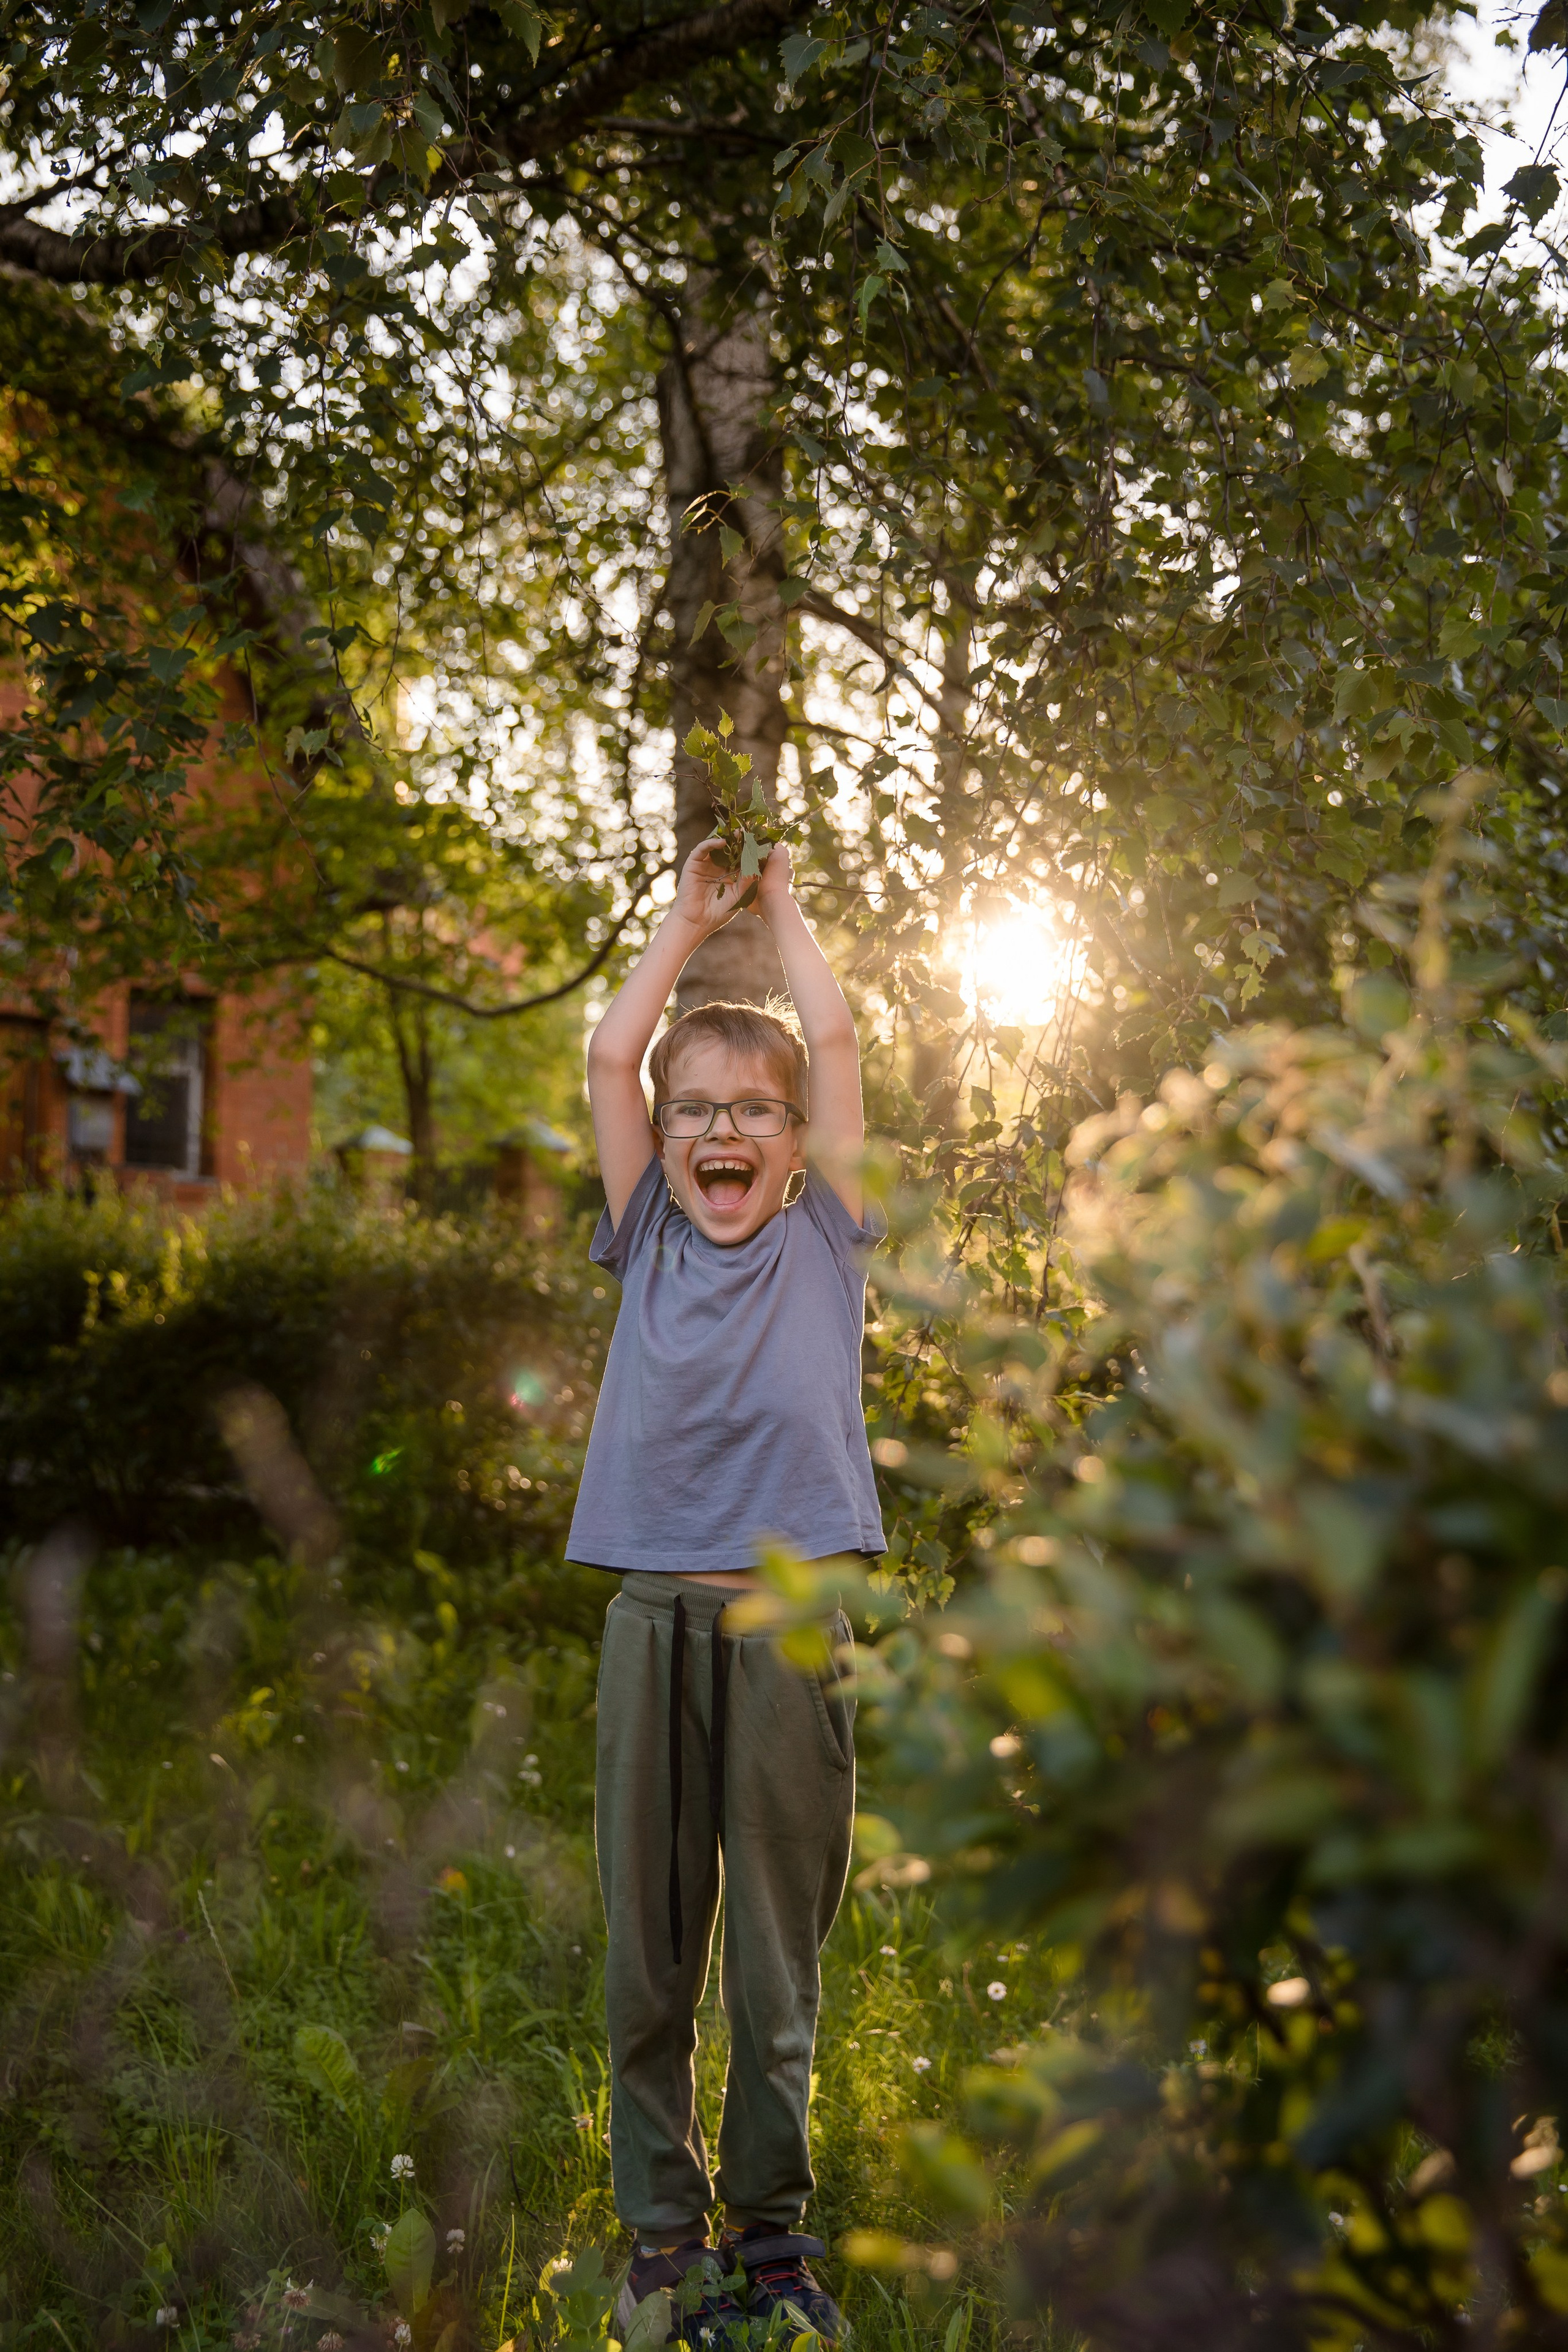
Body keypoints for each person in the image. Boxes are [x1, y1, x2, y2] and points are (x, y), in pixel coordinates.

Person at [565, 831, 886, 2348]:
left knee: (771, 1957)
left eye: (754, 1111)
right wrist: (687, 927)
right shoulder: (645, 1233)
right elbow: (609, 1052)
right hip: (651, 1626)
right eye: (691, 1109)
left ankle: (768, 2239)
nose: (718, 1130)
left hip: (785, 1635)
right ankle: (657, 2239)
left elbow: (835, 1037)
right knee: (648, 1949)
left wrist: (785, 910)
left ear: (800, 1141)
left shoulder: (829, 1235)